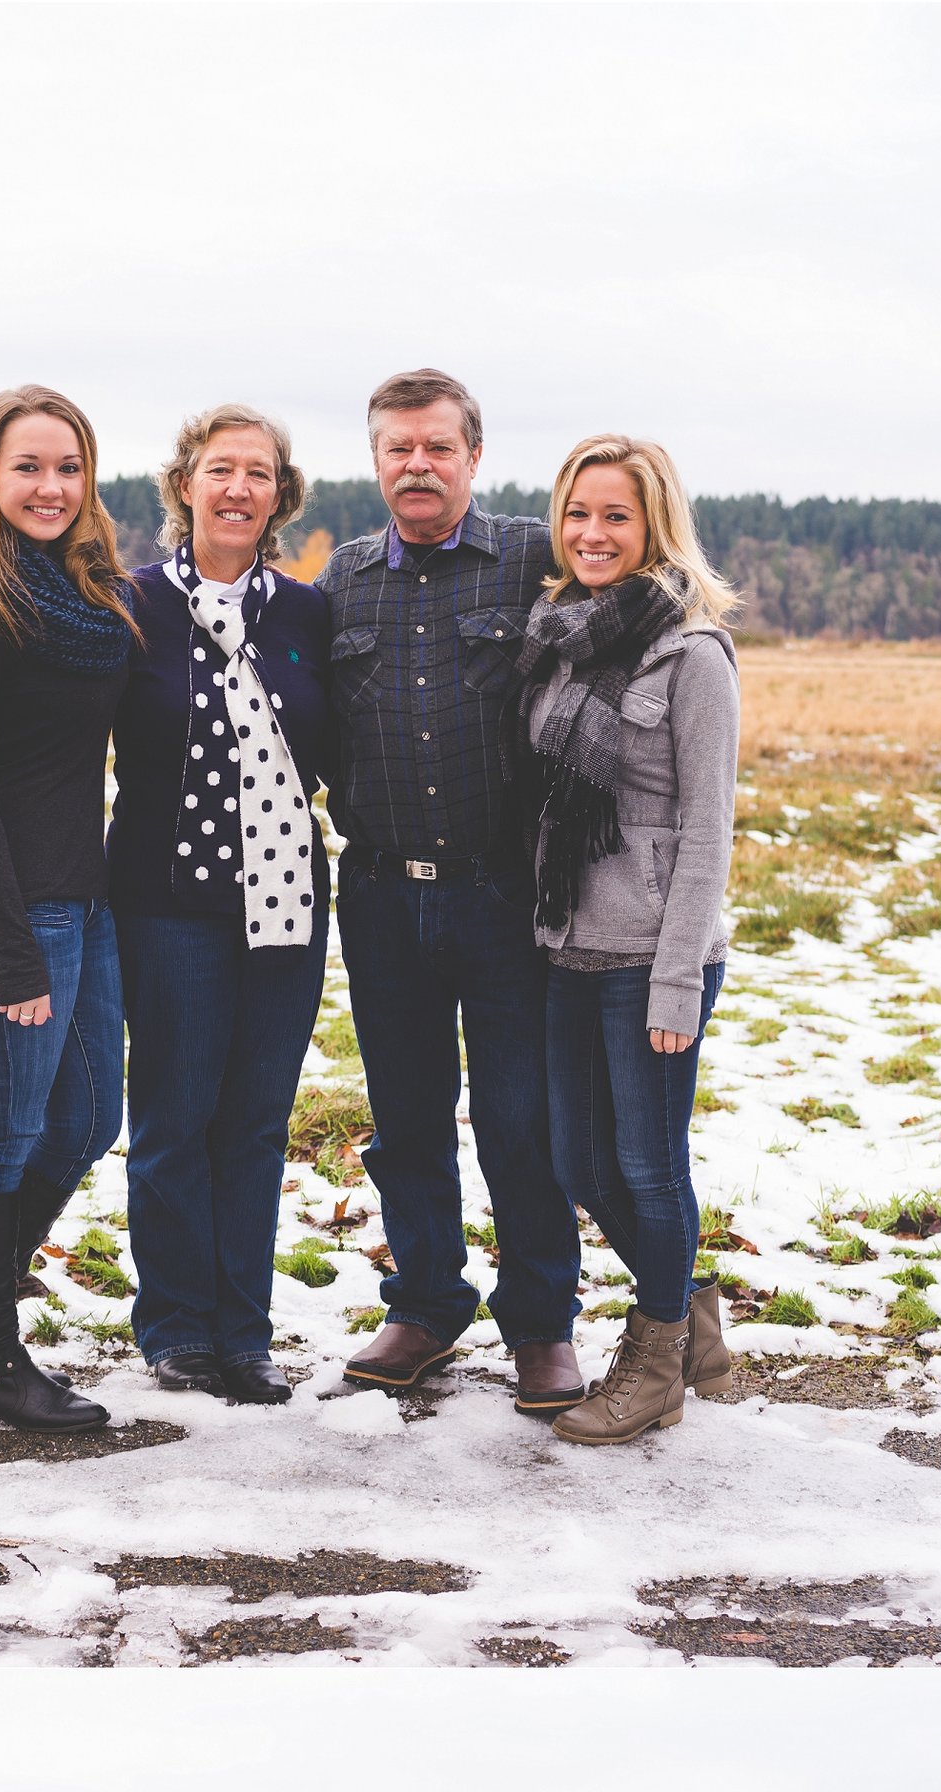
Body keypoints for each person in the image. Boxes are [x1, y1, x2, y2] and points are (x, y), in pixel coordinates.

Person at [320, 375, 585, 1415]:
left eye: (436, 447)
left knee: (519, 1121)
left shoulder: (533, 557)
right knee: (406, 1119)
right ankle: (426, 1303)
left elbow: (636, 607)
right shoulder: (341, 581)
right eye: (396, 449)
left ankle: (540, 1326)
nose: (416, 466)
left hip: (504, 893)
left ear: (474, 456)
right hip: (382, 896)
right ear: (375, 461)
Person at [0, 384, 136, 1433]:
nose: (49, 487)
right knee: (0, 1137)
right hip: (1, 909)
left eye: (67, 467)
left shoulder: (88, 598)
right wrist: (10, 961)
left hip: (79, 898)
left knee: (91, 1118)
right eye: (27, 468)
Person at [518, 436, 745, 1447]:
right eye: (577, 514)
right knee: (580, 1162)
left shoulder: (692, 655)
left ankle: (655, 1369)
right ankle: (690, 1312)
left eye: (614, 515)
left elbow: (706, 828)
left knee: (649, 1168)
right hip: (569, 945)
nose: (592, 534)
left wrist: (675, 983)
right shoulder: (561, 640)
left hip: (654, 954)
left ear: (653, 526)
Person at [107, 404, 333, 1401]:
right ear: (184, 486)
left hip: (284, 908)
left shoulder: (307, 615)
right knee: (172, 1118)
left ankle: (243, 1333)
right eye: (218, 469)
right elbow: (60, 725)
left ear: (280, 497)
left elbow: (348, 744)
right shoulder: (130, 606)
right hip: (165, 903)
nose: (237, 487)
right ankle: (173, 1328)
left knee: (252, 1122)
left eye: (257, 472)